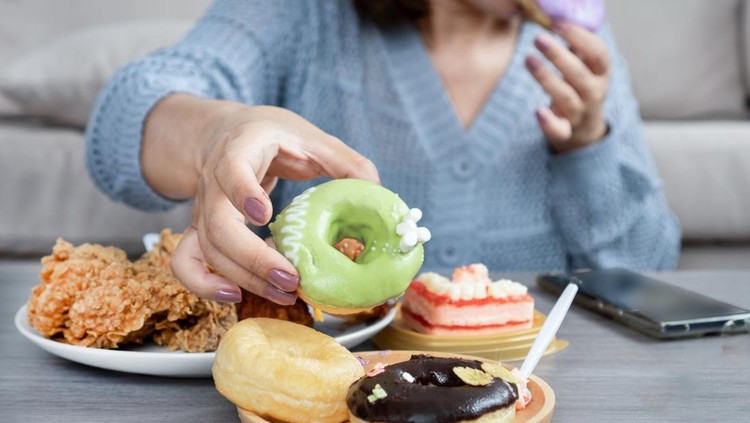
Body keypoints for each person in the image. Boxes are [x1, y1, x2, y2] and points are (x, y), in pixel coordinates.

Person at [85, 0, 680, 306]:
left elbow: (648, 269)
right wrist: (218, 132)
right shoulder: (304, 16)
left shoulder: (580, 55)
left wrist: (588, 146)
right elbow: (123, 120)